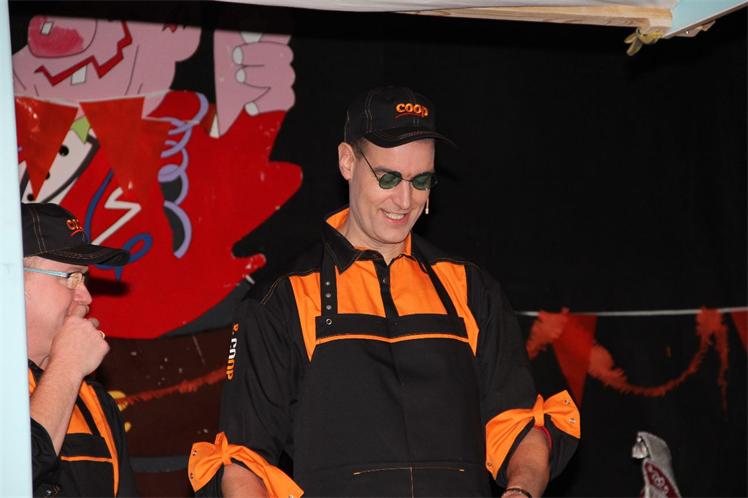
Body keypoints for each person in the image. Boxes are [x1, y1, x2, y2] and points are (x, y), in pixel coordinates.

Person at [189, 86, 580, 498]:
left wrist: (520, 490)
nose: (405, 200)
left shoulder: (471, 289)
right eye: (388, 177)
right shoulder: (282, 300)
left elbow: (520, 426)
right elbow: (244, 462)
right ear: (347, 161)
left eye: (421, 180)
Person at [22, 202, 138, 497]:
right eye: (71, 277)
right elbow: (12, 476)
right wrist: (68, 366)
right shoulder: (69, 374)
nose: (86, 297)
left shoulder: (95, 402)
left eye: (84, 278)